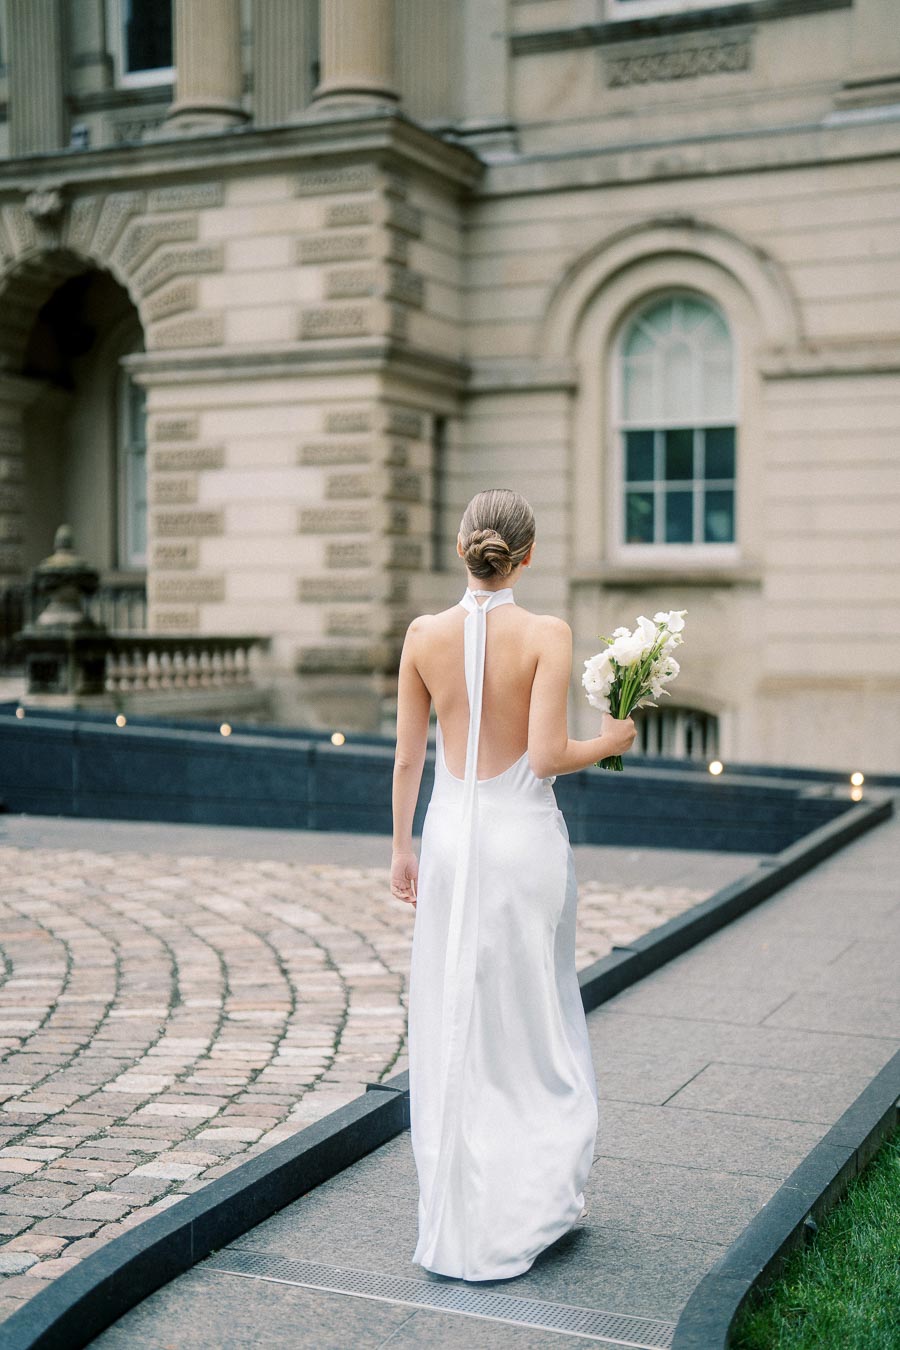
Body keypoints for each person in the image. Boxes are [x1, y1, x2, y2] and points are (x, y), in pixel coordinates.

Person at [391, 488, 637, 1282]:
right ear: (525, 556)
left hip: (453, 839)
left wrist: (402, 849)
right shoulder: (546, 634)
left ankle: (460, 1214)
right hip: (521, 839)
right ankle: (533, 1196)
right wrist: (613, 738)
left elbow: (407, 759)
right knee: (531, 1012)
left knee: (454, 1013)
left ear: (463, 546)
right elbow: (544, 755)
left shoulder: (423, 636)